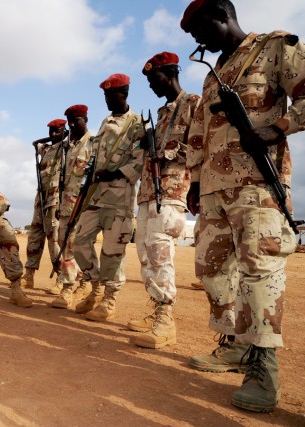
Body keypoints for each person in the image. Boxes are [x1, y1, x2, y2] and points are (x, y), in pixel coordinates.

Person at [181, 0, 305, 412]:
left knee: (259, 272)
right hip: (215, 190)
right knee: (212, 272)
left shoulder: (274, 48)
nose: (197, 40)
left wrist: (277, 128)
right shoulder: (212, 76)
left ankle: (263, 369)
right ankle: (234, 345)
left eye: (200, 29)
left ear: (221, 14)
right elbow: (200, 132)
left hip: (257, 187)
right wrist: (196, 183)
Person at [127, 52, 201, 349]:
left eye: (153, 78)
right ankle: (157, 308)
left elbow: (201, 145)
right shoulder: (161, 113)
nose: (151, 85)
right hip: (148, 192)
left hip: (171, 192)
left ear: (170, 73)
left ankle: (166, 321)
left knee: (159, 253)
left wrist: (166, 154)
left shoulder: (193, 103)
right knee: (145, 252)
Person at [74, 74, 144, 321]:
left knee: (113, 251)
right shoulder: (105, 122)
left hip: (120, 199)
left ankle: (109, 300)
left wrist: (113, 172)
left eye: (110, 95)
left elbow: (140, 161)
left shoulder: (136, 124)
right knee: (80, 241)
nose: (106, 100)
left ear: (123, 93)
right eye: (104, 95)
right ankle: (94, 288)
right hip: (96, 195)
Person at [50, 105, 95, 309]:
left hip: (86, 206)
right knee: (64, 242)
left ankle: (80, 285)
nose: (72, 125)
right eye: (70, 121)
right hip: (66, 206)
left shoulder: (93, 143)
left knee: (80, 246)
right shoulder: (68, 148)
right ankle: (71, 286)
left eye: (76, 120)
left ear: (85, 119)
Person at [21, 119, 66, 290]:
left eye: (58, 130)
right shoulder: (46, 149)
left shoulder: (67, 148)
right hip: (41, 197)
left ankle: (61, 278)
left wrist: (65, 137)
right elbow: (36, 143)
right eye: (51, 131)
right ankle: (29, 274)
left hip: (56, 198)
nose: (54, 134)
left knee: (54, 239)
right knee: (34, 236)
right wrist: (49, 140)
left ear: (65, 130)